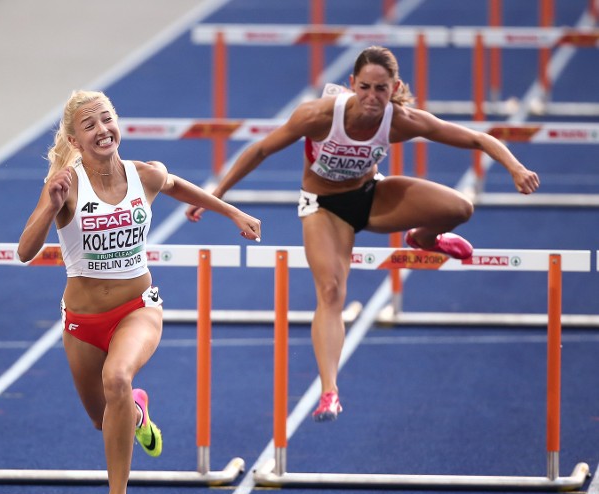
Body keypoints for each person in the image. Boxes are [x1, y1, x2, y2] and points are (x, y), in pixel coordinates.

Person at [185, 45, 539, 422]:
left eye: (381, 89)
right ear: (352, 84)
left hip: (371, 197)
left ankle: (425, 239)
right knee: (332, 290)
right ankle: (329, 391)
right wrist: (215, 195)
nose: (372, 97)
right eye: (365, 87)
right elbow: (259, 151)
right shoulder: (319, 115)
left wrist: (515, 168)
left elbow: (476, 139)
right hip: (324, 208)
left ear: (394, 87)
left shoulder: (400, 120)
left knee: (459, 208)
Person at [17, 90, 261, 494]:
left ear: (117, 123)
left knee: (118, 379)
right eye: (89, 126)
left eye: (106, 120)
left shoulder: (143, 175)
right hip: (81, 322)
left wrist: (232, 212)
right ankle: (138, 413)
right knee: (103, 417)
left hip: (138, 308)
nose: (102, 130)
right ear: (75, 139)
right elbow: (25, 251)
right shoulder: (65, 184)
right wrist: (51, 205)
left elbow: (176, 185)